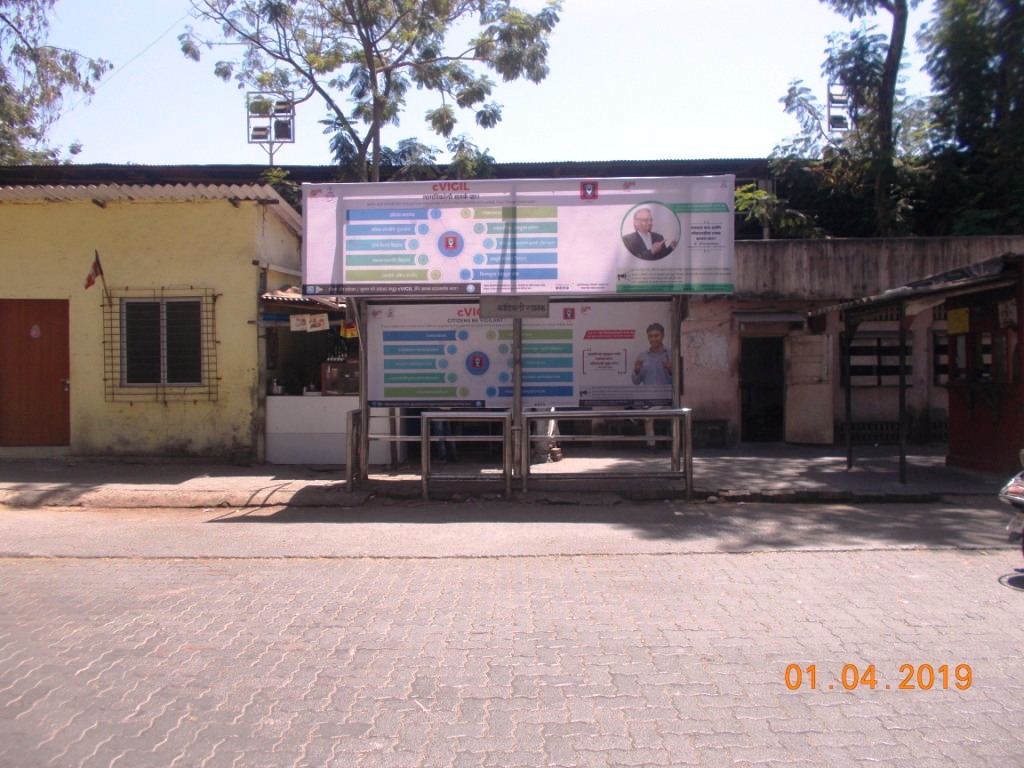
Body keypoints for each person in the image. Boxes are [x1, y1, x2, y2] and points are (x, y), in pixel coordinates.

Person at [631, 322, 673, 448]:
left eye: (657, 335)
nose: (654, 339)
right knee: (642, 411)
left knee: (648, 414)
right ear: (648, 338)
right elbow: (636, 381)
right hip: (647, 400)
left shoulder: (671, 354)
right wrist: (637, 370)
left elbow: (680, 381)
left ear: (662, 336)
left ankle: (651, 444)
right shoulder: (642, 356)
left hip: (666, 401)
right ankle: (650, 440)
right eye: (651, 336)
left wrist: (671, 370)